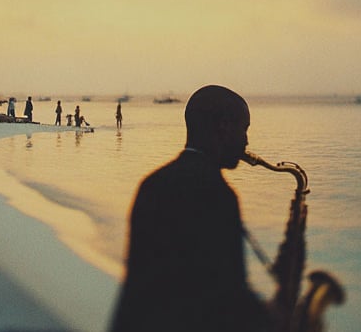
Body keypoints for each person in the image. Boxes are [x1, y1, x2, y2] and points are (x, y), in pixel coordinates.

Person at [110, 85, 270, 332]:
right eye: (244, 129)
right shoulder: (219, 195)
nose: (246, 141)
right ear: (224, 127)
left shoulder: (152, 184)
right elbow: (226, 296)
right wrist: (272, 318)